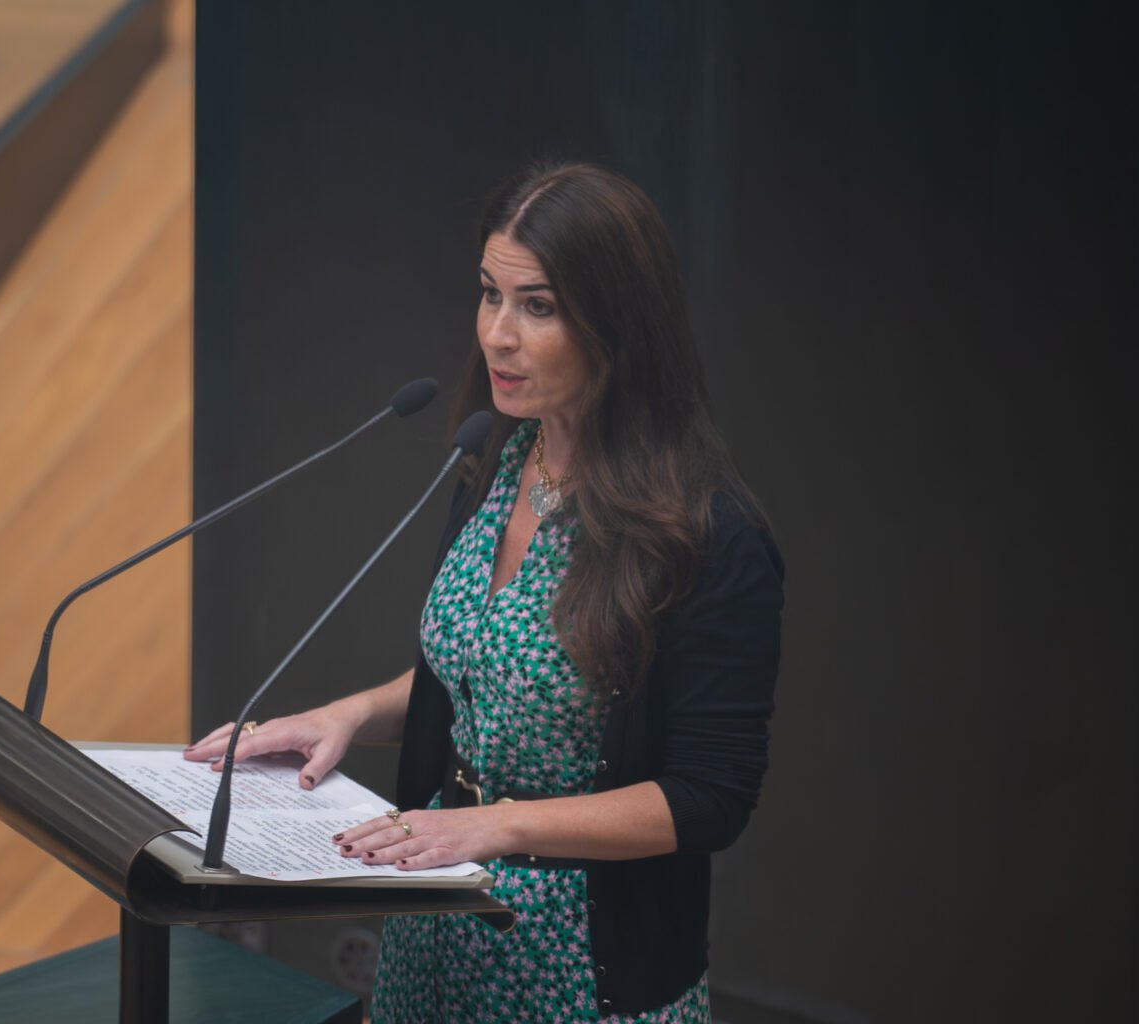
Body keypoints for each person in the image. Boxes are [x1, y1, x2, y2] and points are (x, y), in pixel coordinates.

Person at [185, 162, 784, 1022]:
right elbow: (486, 670)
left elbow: (710, 798)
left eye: (537, 306)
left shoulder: (708, 534)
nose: (498, 335)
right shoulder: (500, 460)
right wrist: (348, 714)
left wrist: (497, 825)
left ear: (619, 322)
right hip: (434, 926)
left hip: (581, 968)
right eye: (490, 295)